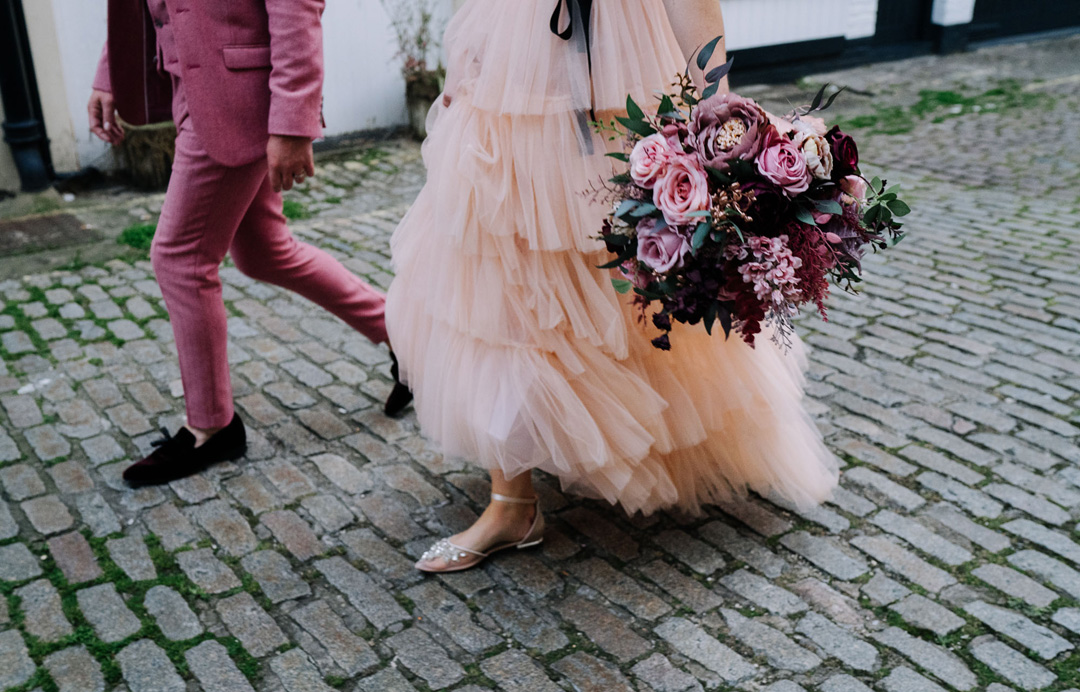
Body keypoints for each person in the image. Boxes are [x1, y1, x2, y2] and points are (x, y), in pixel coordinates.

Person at [385, 0, 839, 573]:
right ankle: (511, 502)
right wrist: (467, 63)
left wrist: (716, 102)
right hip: (510, 77)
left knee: (627, 270)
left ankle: (636, 441)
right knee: (500, 272)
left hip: (623, 67)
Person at [88, 0, 410, 488]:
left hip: (241, 99)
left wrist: (292, 123)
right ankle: (408, 339)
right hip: (194, 91)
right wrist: (111, 72)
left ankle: (210, 426)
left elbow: (295, 10)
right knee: (265, 251)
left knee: (179, 257)